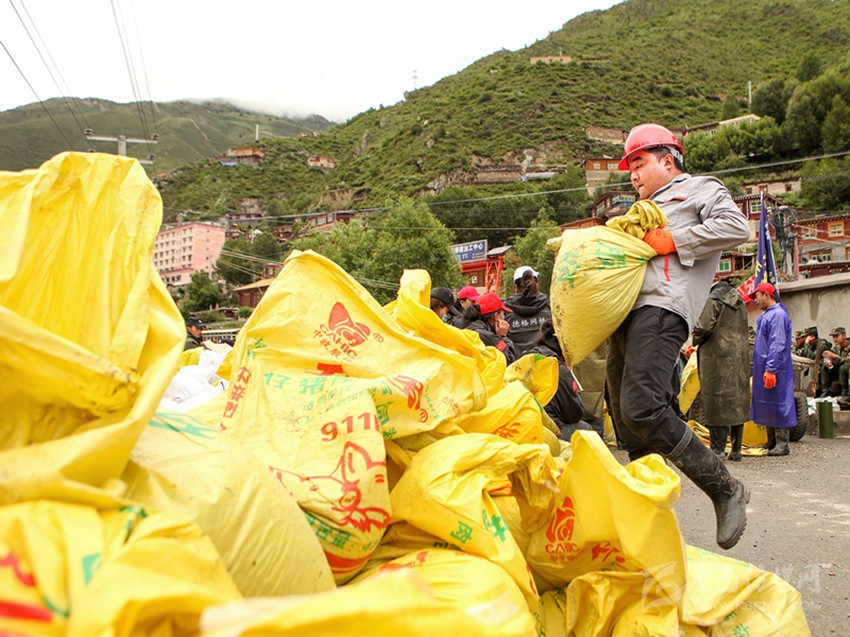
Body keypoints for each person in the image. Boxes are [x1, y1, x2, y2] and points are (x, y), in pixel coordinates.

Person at [606, 123, 751, 550]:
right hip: (625, 313)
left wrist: (674, 239)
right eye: (630, 168)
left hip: (663, 308)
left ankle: (726, 488)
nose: (633, 175)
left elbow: (736, 227)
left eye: (639, 163)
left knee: (643, 405)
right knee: (628, 421)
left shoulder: (701, 189)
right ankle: (652, 528)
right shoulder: (640, 210)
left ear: (667, 161)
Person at [691, 279, 751, 462]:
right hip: (738, 358)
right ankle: (736, 450)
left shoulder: (714, 299)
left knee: (716, 401)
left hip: (717, 358)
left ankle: (718, 450)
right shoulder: (739, 301)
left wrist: (694, 338)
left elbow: (703, 326)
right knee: (737, 403)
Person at [528, 319, 593, 441]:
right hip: (550, 430)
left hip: (527, 425)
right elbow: (572, 414)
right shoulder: (558, 368)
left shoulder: (529, 357)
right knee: (586, 429)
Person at [750, 282, 795, 456]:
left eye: (757, 296)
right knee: (768, 402)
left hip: (776, 368)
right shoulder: (765, 316)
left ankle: (782, 443)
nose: (755, 300)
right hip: (765, 366)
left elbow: (777, 343)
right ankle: (772, 441)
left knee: (779, 402)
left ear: (767, 295)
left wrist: (771, 368)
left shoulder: (777, 315)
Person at [503, 266, 552, 357]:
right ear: (537, 283)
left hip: (517, 363)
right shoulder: (549, 305)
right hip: (547, 361)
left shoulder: (505, 310)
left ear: (515, 287)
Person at [461, 291, 517, 364]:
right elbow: (510, 359)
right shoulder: (486, 335)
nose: (504, 317)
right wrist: (503, 336)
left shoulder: (470, 327)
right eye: (503, 313)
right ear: (496, 316)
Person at [800, 326, 833, 396]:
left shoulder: (821, 344)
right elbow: (804, 356)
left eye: (806, 337)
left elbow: (811, 357)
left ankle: (825, 391)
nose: (804, 339)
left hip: (827, 369)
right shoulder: (811, 346)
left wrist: (806, 344)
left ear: (812, 337)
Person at [822, 327, 850, 405]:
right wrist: (829, 362)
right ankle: (826, 391)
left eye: (837, 336)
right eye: (833, 337)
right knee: (825, 367)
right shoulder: (836, 348)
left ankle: (846, 394)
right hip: (840, 372)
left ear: (844, 335)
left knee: (843, 368)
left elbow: (847, 361)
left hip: (847, 371)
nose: (835, 339)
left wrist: (834, 356)